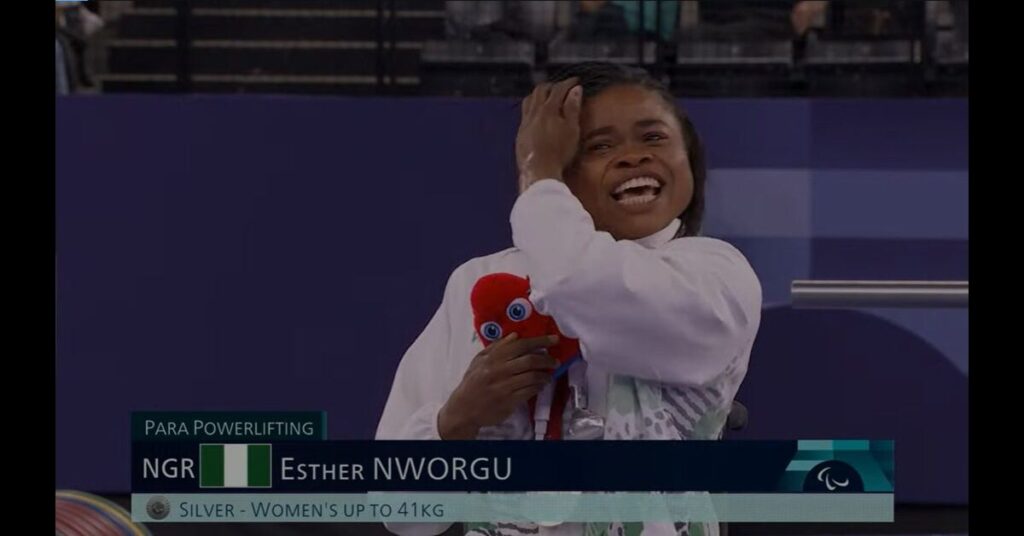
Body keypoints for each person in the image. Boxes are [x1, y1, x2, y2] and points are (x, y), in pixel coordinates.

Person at [376, 62, 763, 536]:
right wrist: (455, 422)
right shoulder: (480, 283)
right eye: (599, 145)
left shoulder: (716, 276)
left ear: (691, 160)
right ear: (565, 168)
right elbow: (399, 511)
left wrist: (537, 172)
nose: (632, 158)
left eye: (654, 137)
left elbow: (577, 283)